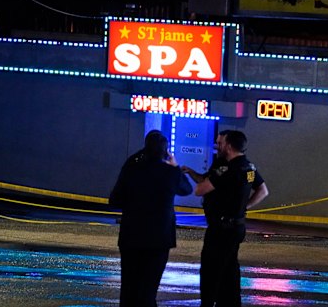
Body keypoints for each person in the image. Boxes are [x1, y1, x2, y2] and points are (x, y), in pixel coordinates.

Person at [109, 130, 193, 306]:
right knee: (148, 289)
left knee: (129, 289)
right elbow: (186, 189)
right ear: (165, 151)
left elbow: (115, 199)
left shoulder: (132, 169)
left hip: (131, 236)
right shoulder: (169, 173)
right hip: (159, 238)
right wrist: (175, 167)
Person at [192, 130, 269, 307]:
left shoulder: (227, 169)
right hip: (236, 226)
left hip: (221, 228)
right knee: (230, 269)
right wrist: (244, 207)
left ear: (228, 146)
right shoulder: (249, 167)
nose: (217, 146)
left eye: (220, 143)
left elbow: (199, 190)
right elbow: (263, 191)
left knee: (211, 270)